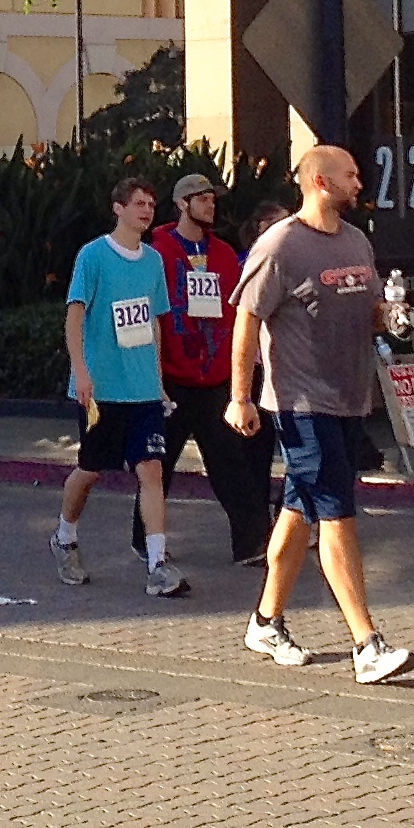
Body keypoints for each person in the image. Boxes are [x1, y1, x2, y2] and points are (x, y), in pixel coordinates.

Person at [228, 145, 414, 685]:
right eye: (349, 175)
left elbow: (371, 310)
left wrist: (392, 316)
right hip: (301, 404)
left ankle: (266, 622)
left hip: (350, 397)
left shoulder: (356, 241)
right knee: (336, 514)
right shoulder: (281, 244)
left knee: (299, 507)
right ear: (319, 181)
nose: (359, 183)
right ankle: (367, 644)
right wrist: (240, 397)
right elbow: (247, 319)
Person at [53, 176, 189, 597]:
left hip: (143, 390)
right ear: (118, 208)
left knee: (151, 469)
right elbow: (75, 316)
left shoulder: (153, 261)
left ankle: (158, 563)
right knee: (90, 470)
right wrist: (81, 372)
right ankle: (64, 537)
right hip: (103, 390)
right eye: (138, 203)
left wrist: (159, 381)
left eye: (151, 204)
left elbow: (153, 322)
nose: (146, 211)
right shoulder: (93, 256)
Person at [136, 171, 270, 566]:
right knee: (158, 466)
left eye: (213, 198)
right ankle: (145, 541)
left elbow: (239, 311)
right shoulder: (157, 252)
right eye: (203, 199)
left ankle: (251, 544)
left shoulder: (225, 255)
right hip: (172, 379)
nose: (211, 205)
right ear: (182, 204)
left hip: (214, 377)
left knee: (231, 462)